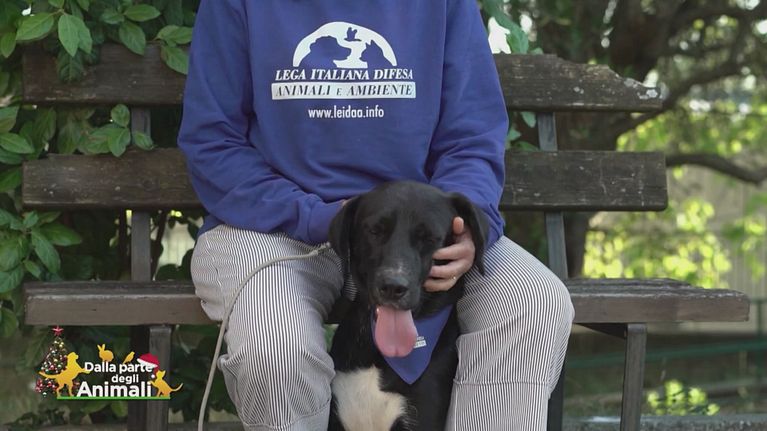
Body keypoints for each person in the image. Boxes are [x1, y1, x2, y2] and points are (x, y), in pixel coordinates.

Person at [179, 0, 574, 429]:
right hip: (273, 227)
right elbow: (212, 141)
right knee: (274, 347)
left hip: (415, 232)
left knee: (533, 303)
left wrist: (463, 225)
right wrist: (315, 215)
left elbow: (472, 139)